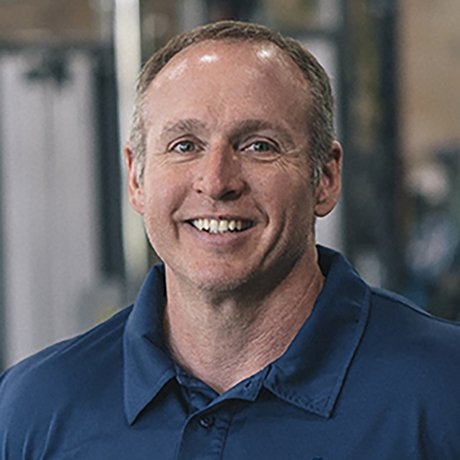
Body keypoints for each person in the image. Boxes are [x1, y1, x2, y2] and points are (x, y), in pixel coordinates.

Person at [1, 20, 460, 459]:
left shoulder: (444, 392)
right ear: (137, 178)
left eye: (258, 145)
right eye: (185, 145)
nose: (217, 181)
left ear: (325, 177)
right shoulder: (34, 412)